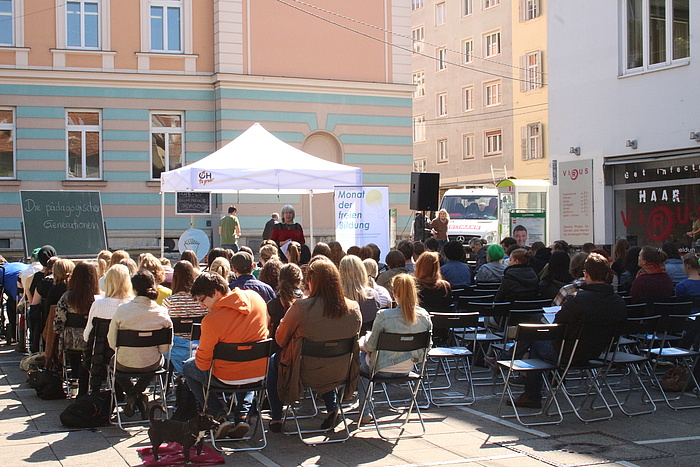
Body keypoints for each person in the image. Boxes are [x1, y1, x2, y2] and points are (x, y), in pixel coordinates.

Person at [512, 253, 627, 408]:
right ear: (607, 275)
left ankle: (532, 394)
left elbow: (557, 326)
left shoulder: (577, 300)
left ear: (586, 274)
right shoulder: (618, 302)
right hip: (599, 352)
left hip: (568, 353)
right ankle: (533, 385)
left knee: (536, 339)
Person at [266, 258, 362, 433]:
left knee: (274, 361)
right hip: (341, 370)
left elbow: (280, 340)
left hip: (303, 371)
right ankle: (333, 408)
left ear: (311, 281)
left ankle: (276, 417)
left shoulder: (301, 307)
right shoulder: (353, 307)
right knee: (326, 355)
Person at [182, 272, 268, 439]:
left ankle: (218, 415)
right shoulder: (256, 299)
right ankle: (243, 415)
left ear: (215, 293)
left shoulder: (211, 320)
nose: (201, 306)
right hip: (259, 372)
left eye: (202, 300)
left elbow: (203, 365)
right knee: (247, 365)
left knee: (188, 367)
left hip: (226, 377)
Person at [357, 274, 433, 424]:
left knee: (360, 361)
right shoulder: (424, 316)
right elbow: (427, 348)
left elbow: (371, 346)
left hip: (380, 368)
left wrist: (361, 342)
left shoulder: (384, 316)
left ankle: (363, 411)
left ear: (394, 293)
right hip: (406, 367)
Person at [108, 271, 173, 419]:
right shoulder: (162, 312)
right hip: (151, 363)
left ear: (134, 289)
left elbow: (112, 343)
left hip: (124, 362)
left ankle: (133, 394)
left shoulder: (122, 311)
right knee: (155, 363)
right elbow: (166, 348)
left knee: (113, 362)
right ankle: (138, 394)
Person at [83, 264, 133, 392]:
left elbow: (87, 336)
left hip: (103, 357)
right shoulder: (134, 305)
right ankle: (134, 392)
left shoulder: (98, 304)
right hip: (131, 354)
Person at [55, 261, 100, 396]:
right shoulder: (99, 299)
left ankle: (74, 377)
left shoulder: (67, 297)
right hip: (93, 342)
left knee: (73, 353)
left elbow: (58, 323)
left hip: (71, 341)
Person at [267, 263, 304, 355]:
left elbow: (267, 330)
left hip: (276, 353)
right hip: (300, 353)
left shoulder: (272, 305)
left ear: (279, 280)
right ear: (299, 281)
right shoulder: (306, 303)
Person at [339, 255, 381, 334]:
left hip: (343, 341)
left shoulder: (336, 297)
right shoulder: (372, 295)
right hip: (366, 340)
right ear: (362, 271)